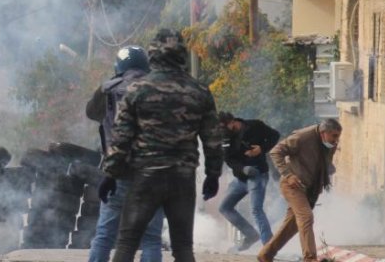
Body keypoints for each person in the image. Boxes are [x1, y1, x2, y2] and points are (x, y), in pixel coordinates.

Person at [101, 29, 222, 262]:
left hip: (146, 177)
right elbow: (212, 140)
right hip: (183, 178)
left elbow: (122, 137)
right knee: (183, 247)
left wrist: (110, 174)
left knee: (126, 243)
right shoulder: (200, 91)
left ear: (152, 57)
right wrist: (213, 175)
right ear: (182, 56)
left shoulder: (138, 89)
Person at [85, 46, 164, 262]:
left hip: (118, 172)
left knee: (104, 236)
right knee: (150, 239)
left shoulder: (108, 90)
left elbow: (92, 113)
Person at [257, 118, 342, 262]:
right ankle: (310, 258)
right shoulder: (303, 137)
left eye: (338, 136)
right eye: (333, 136)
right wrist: (288, 175)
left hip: (310, 188)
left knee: (292, 226)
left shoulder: (329, 144)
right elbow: (275, 152)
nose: (336, 140)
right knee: (306, 217)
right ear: (323, 133)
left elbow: (325, 164)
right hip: (292, 185)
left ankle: (266, 254)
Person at [218, 112, 280, 250]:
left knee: (256, 209)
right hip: (241, 177)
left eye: (224, 126)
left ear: (232, 121)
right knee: (224, 207)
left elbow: (275, 135)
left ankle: (269, 247)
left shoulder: (255, 125)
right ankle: (251, 235)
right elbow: (228, 159)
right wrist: (243, 168)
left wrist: (261, 149)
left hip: (257, 175)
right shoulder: (225, 136)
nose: (222, 130)